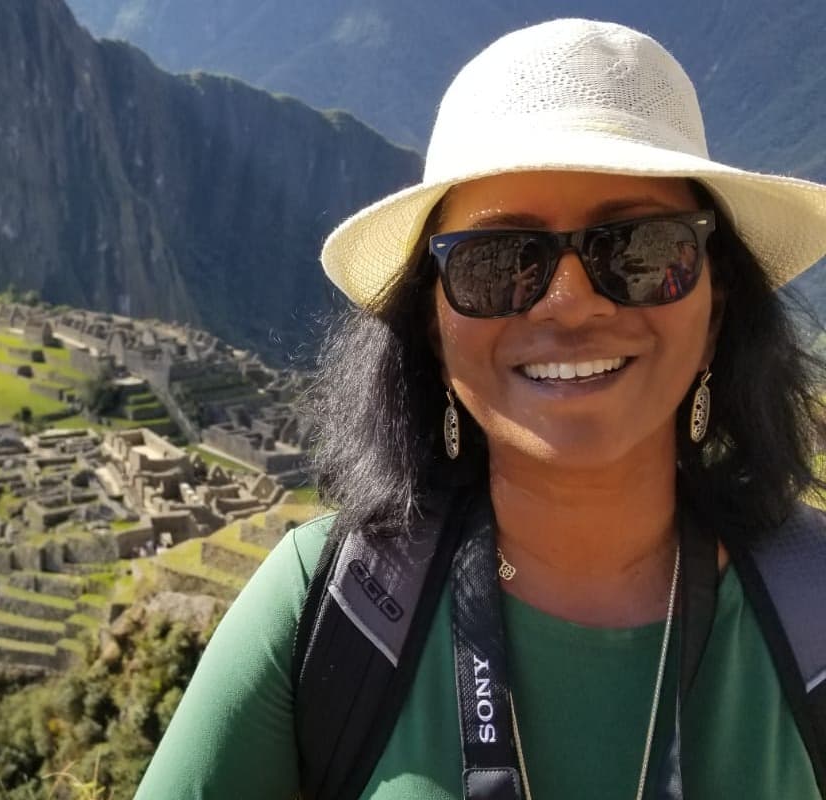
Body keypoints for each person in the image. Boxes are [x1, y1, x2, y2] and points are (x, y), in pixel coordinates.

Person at [136, 19, 826, 800]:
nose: (569, 303)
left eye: (639, 250)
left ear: (716, 302)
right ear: (433, 326)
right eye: (499, 264)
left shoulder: (813, 617)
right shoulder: (334, 615)